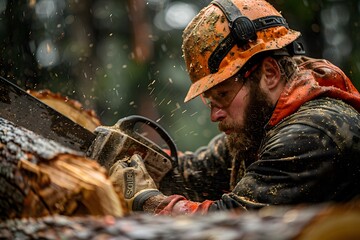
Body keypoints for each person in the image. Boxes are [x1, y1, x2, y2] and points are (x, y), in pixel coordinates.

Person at [109, 0, 360, 215]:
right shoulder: (258, 127)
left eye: (223, 95)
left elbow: (230, 221)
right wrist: (134, 157)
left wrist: (145, 200)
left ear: (270, 73)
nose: (214, 114)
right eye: (210, 99)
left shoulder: (313, 132)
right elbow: (194, 175)